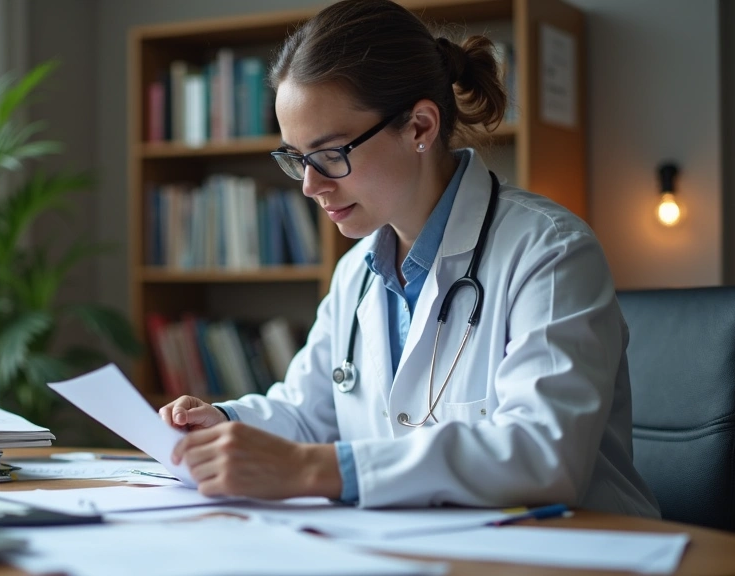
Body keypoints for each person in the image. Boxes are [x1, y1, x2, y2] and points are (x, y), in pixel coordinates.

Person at [159, 0, 660, 517]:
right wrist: (224, 421)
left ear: (420, 127)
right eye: (296, 158)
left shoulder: (549, 251)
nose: (310, 185)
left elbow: (542, 456)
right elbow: (308, 414)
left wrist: (314, 471)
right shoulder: (356, 271)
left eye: (331, 154)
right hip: (418, 548)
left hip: (574, 556)